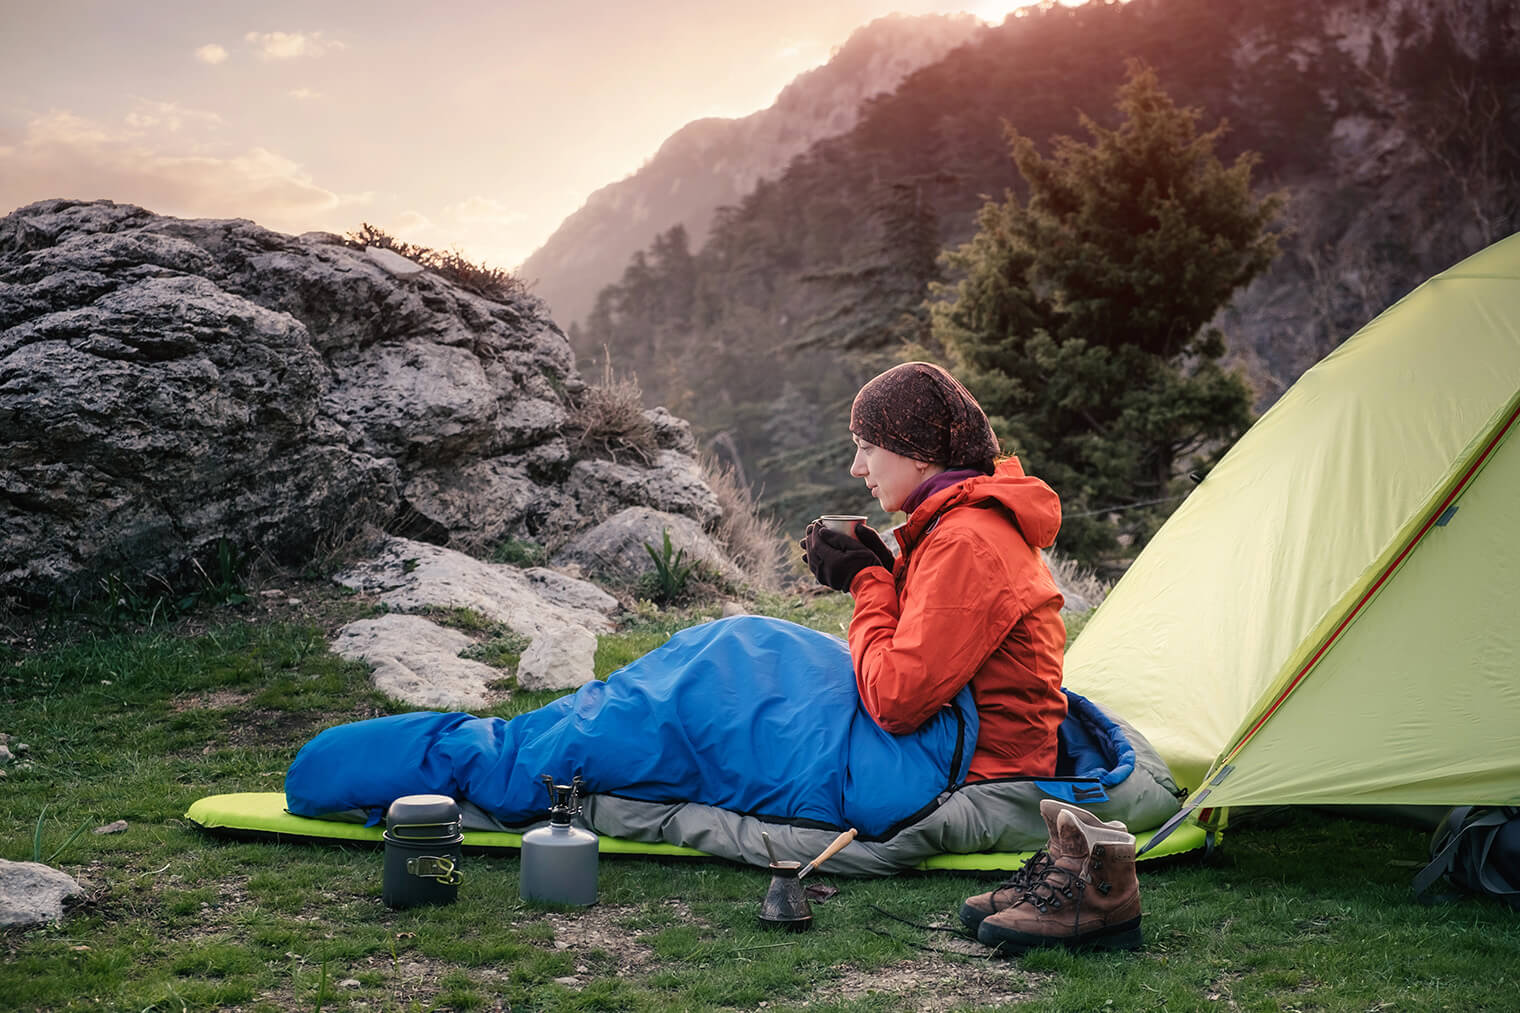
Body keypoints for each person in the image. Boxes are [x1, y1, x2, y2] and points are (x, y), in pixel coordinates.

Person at [801, 361, 1069, 781]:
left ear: (920, 451)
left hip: (983, 776)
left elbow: (894, 700)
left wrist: (868, 583)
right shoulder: (955, 525)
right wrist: (888, 574)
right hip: (955, 751)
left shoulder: (965, 541)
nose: (857, 467)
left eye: (867, 447)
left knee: (768, 679)